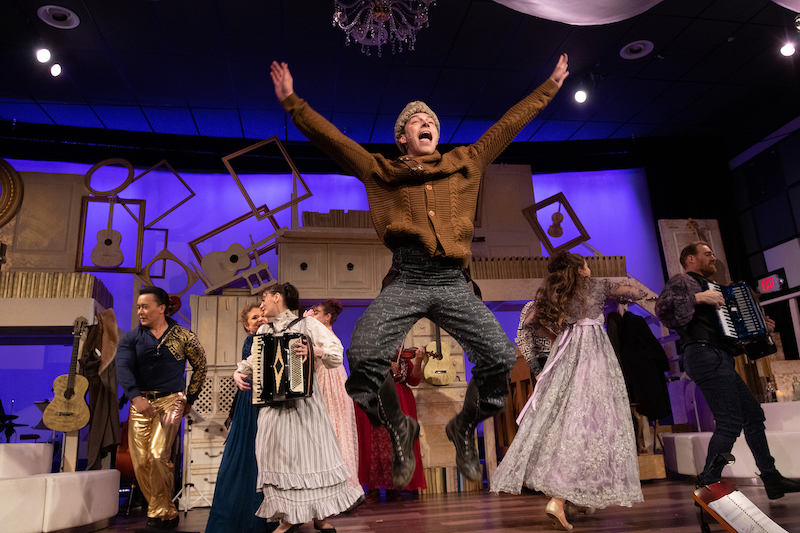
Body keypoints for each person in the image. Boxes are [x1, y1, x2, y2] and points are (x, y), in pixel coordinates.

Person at [270, 53, 570, 487]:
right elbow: (334, 140)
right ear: (403, 137)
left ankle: (464, 426)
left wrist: (550, 87)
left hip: (452, 281)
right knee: (365, 353)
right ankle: (399, 427)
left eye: (431, 120)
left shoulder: (468, 160)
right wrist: (292, 102)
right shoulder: (381, 171)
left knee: (501, 357)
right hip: (408, 278)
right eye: (417, 121)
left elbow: (508, 124)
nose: (426, 123)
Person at [491, 252, 645, 530]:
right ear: (579, 268)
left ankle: (575, 495)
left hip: (567, 354)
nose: (589, 267)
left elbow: (531, 321)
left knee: (571, 421)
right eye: (586, 264)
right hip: (595, 356)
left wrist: (556, 336)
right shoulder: (596, 286)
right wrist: (626, 293)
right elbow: (635, 292)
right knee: (591, 423)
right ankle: (559, 499)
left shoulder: (556, 292)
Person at [655, 241, 800, 499]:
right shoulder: (683, 281)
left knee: (753, 416)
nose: (713, 258)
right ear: (689, 259)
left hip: (719, 355)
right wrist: (698, 297)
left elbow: (731, 326)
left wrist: (758, 325)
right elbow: (662, 308)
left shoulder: (716, 288)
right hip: (702, 353)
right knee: (730, 421)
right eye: (707, 254)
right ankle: (708, 483)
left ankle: (771, 476)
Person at [234, 283, 363, 533]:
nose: (261, 305)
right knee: (279, 457)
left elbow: (336, 352)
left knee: (311, 456)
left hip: (305, 404)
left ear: (278, 297)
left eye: (264, 299)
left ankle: (320, 515)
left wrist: (314, 350)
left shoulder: (308, 325)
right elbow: (254, 359)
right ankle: (288, 517)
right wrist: (239, 372)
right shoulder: (264, 330)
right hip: (273, 406)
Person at [116, 286, 207, 530]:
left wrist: (190, 398)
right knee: (141, 461)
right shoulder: (131, 338)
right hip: (140, 403)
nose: (140, 311)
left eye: (145, 306)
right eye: (138, 307)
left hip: (171, 400)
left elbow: (201, 365)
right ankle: (167, 511)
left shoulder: (184, 336)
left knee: (158, 454)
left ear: (162, 308)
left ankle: (157, 512)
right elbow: (122, 368)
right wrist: (135, 397)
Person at [206, 303, 272, 533]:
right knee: (249, 453)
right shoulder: (251, 341)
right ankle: (248, 515)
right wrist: (237, 373)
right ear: (246, 325)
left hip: (267, 400)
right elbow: (250, 369)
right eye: (254, 317)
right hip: (251, 402)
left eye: (262, 315)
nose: (259, 319)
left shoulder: (273, 335)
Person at [355, 346, 427, 502]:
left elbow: (414, 380)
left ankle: (393, 487)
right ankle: (373, 489)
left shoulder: (403, 357)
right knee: (374, 443)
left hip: (398, 400)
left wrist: (419, 360)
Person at [304, 299, 361, 491]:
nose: (313, 316)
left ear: (328, 316)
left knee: (336, 428)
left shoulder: (326, 334)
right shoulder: (313, 331)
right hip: (322, 376)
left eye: (317, 313)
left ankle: (344, 487)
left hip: (331, 377)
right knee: (326, 430)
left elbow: (332, 351)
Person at [516, 300, 550, 378]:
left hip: (564, 360)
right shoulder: (533, 306)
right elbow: (522, 339)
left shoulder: (566, 307)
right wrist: (536, 370)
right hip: (542, 361)